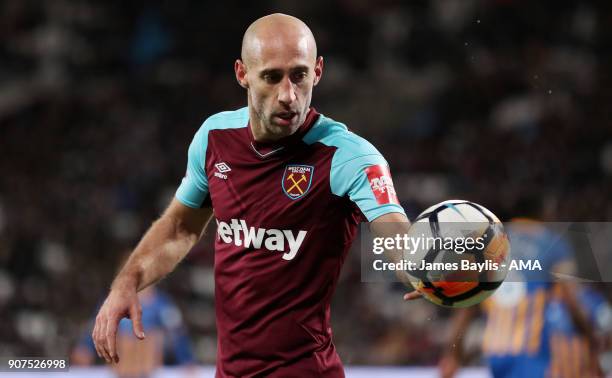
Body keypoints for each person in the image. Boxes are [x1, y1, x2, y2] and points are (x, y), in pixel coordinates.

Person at [92, 13, 412, 377]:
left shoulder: (350, 157)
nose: (288, 95)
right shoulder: (214, 137)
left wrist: (423, 265)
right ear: (242, 73)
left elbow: (395, 233)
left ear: (318, 71)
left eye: (300, 75)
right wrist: (126, 282)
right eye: (272, 77)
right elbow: (180, 227)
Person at [438, 202, 601, 378]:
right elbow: (573, 303)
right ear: (544, 213)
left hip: (494, 351)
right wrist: (591, 339)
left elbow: (466, 305)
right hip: (530, 352)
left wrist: (452, 355)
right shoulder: (551, 243)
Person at [74, 287, 194, 377]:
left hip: (149, 362)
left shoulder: (162, 305)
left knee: (150, 337)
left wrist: (186, 359)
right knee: (124, 339)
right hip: (120, 363)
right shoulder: (110, 302)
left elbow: (177, 333)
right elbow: (96, 325)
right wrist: (85, 347)